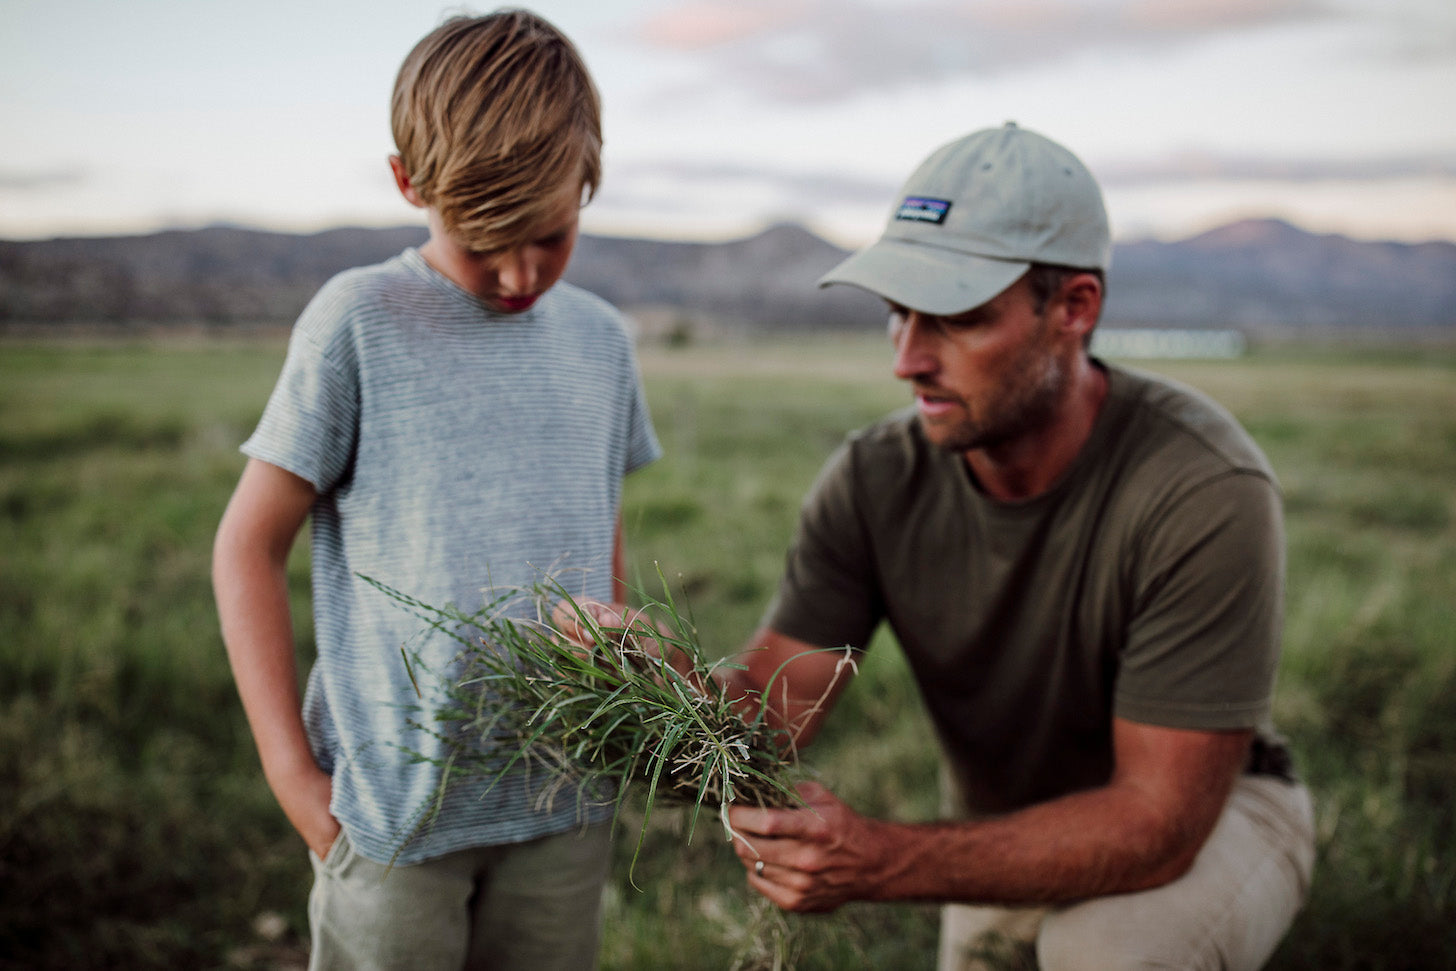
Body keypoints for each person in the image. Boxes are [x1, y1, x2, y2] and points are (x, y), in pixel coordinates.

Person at [571, 122, 1314, 969]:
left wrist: (884, 859)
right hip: (999, 829)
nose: (907, 359)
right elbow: (770, 718)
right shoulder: (871, 477)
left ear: (1074, 309)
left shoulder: (1202, 486)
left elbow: (1157, 823)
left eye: (957, 319)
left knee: (1104, 951)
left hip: (1211, 815)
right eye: (897, 314)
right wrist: (663, 691)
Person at [211, 10, 660, 970]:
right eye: (484, 240)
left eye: (552, 235)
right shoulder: (357, 321)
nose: (518, 273)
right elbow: (248, 544)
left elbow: (599, 523)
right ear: (409, 184)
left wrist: (620, 650)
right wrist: (294, 778)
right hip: (393, 811)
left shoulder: (600, 341)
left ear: (588, 182)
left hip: (563, 797)